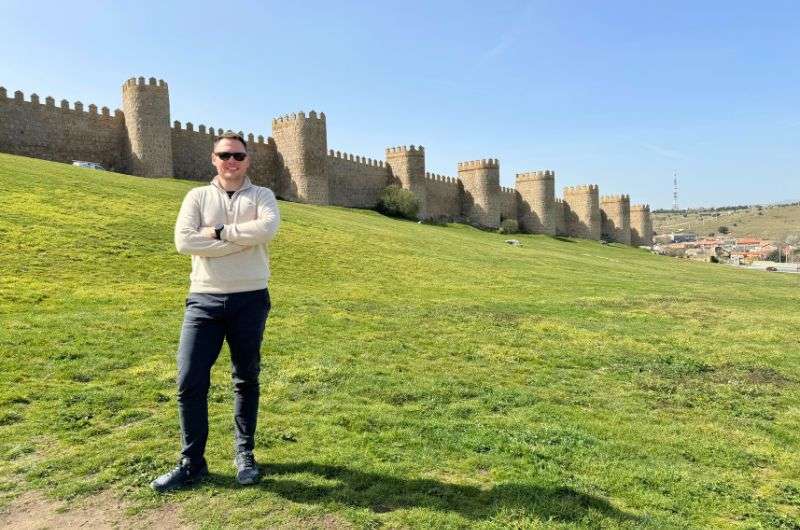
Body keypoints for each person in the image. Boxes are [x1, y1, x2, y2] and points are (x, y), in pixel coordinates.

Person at [151, 131, 280, 492]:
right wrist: (239, 242)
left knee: (245, 378)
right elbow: (184, 241)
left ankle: (244, 454)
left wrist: (218, 234)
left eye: (238, 155)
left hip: (250, 298)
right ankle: (192, 464)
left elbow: (267, 228)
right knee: (190, 379)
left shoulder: (262, 196)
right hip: (204, 299)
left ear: (248, 160)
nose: (232, 161)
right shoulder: (196, 196)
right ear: (214, 159)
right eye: (225, 155)